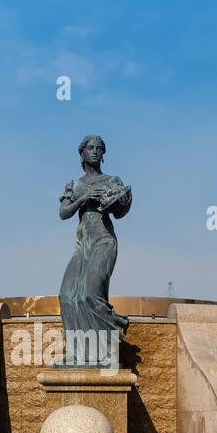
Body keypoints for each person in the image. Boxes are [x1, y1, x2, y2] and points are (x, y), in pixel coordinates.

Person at [57, 135, 132, 366]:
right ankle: (77, 353)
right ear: (82, 153)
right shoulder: (75, 185)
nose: (96, 151)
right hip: (83, 243)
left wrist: (121, 200)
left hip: (103, 240)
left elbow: (120, 212)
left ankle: (105, 352)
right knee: (67, 296)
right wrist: (83, 199)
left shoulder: (111, 180)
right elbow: (63, 213)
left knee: (90, 294)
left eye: (100, 148)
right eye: (91, 148)